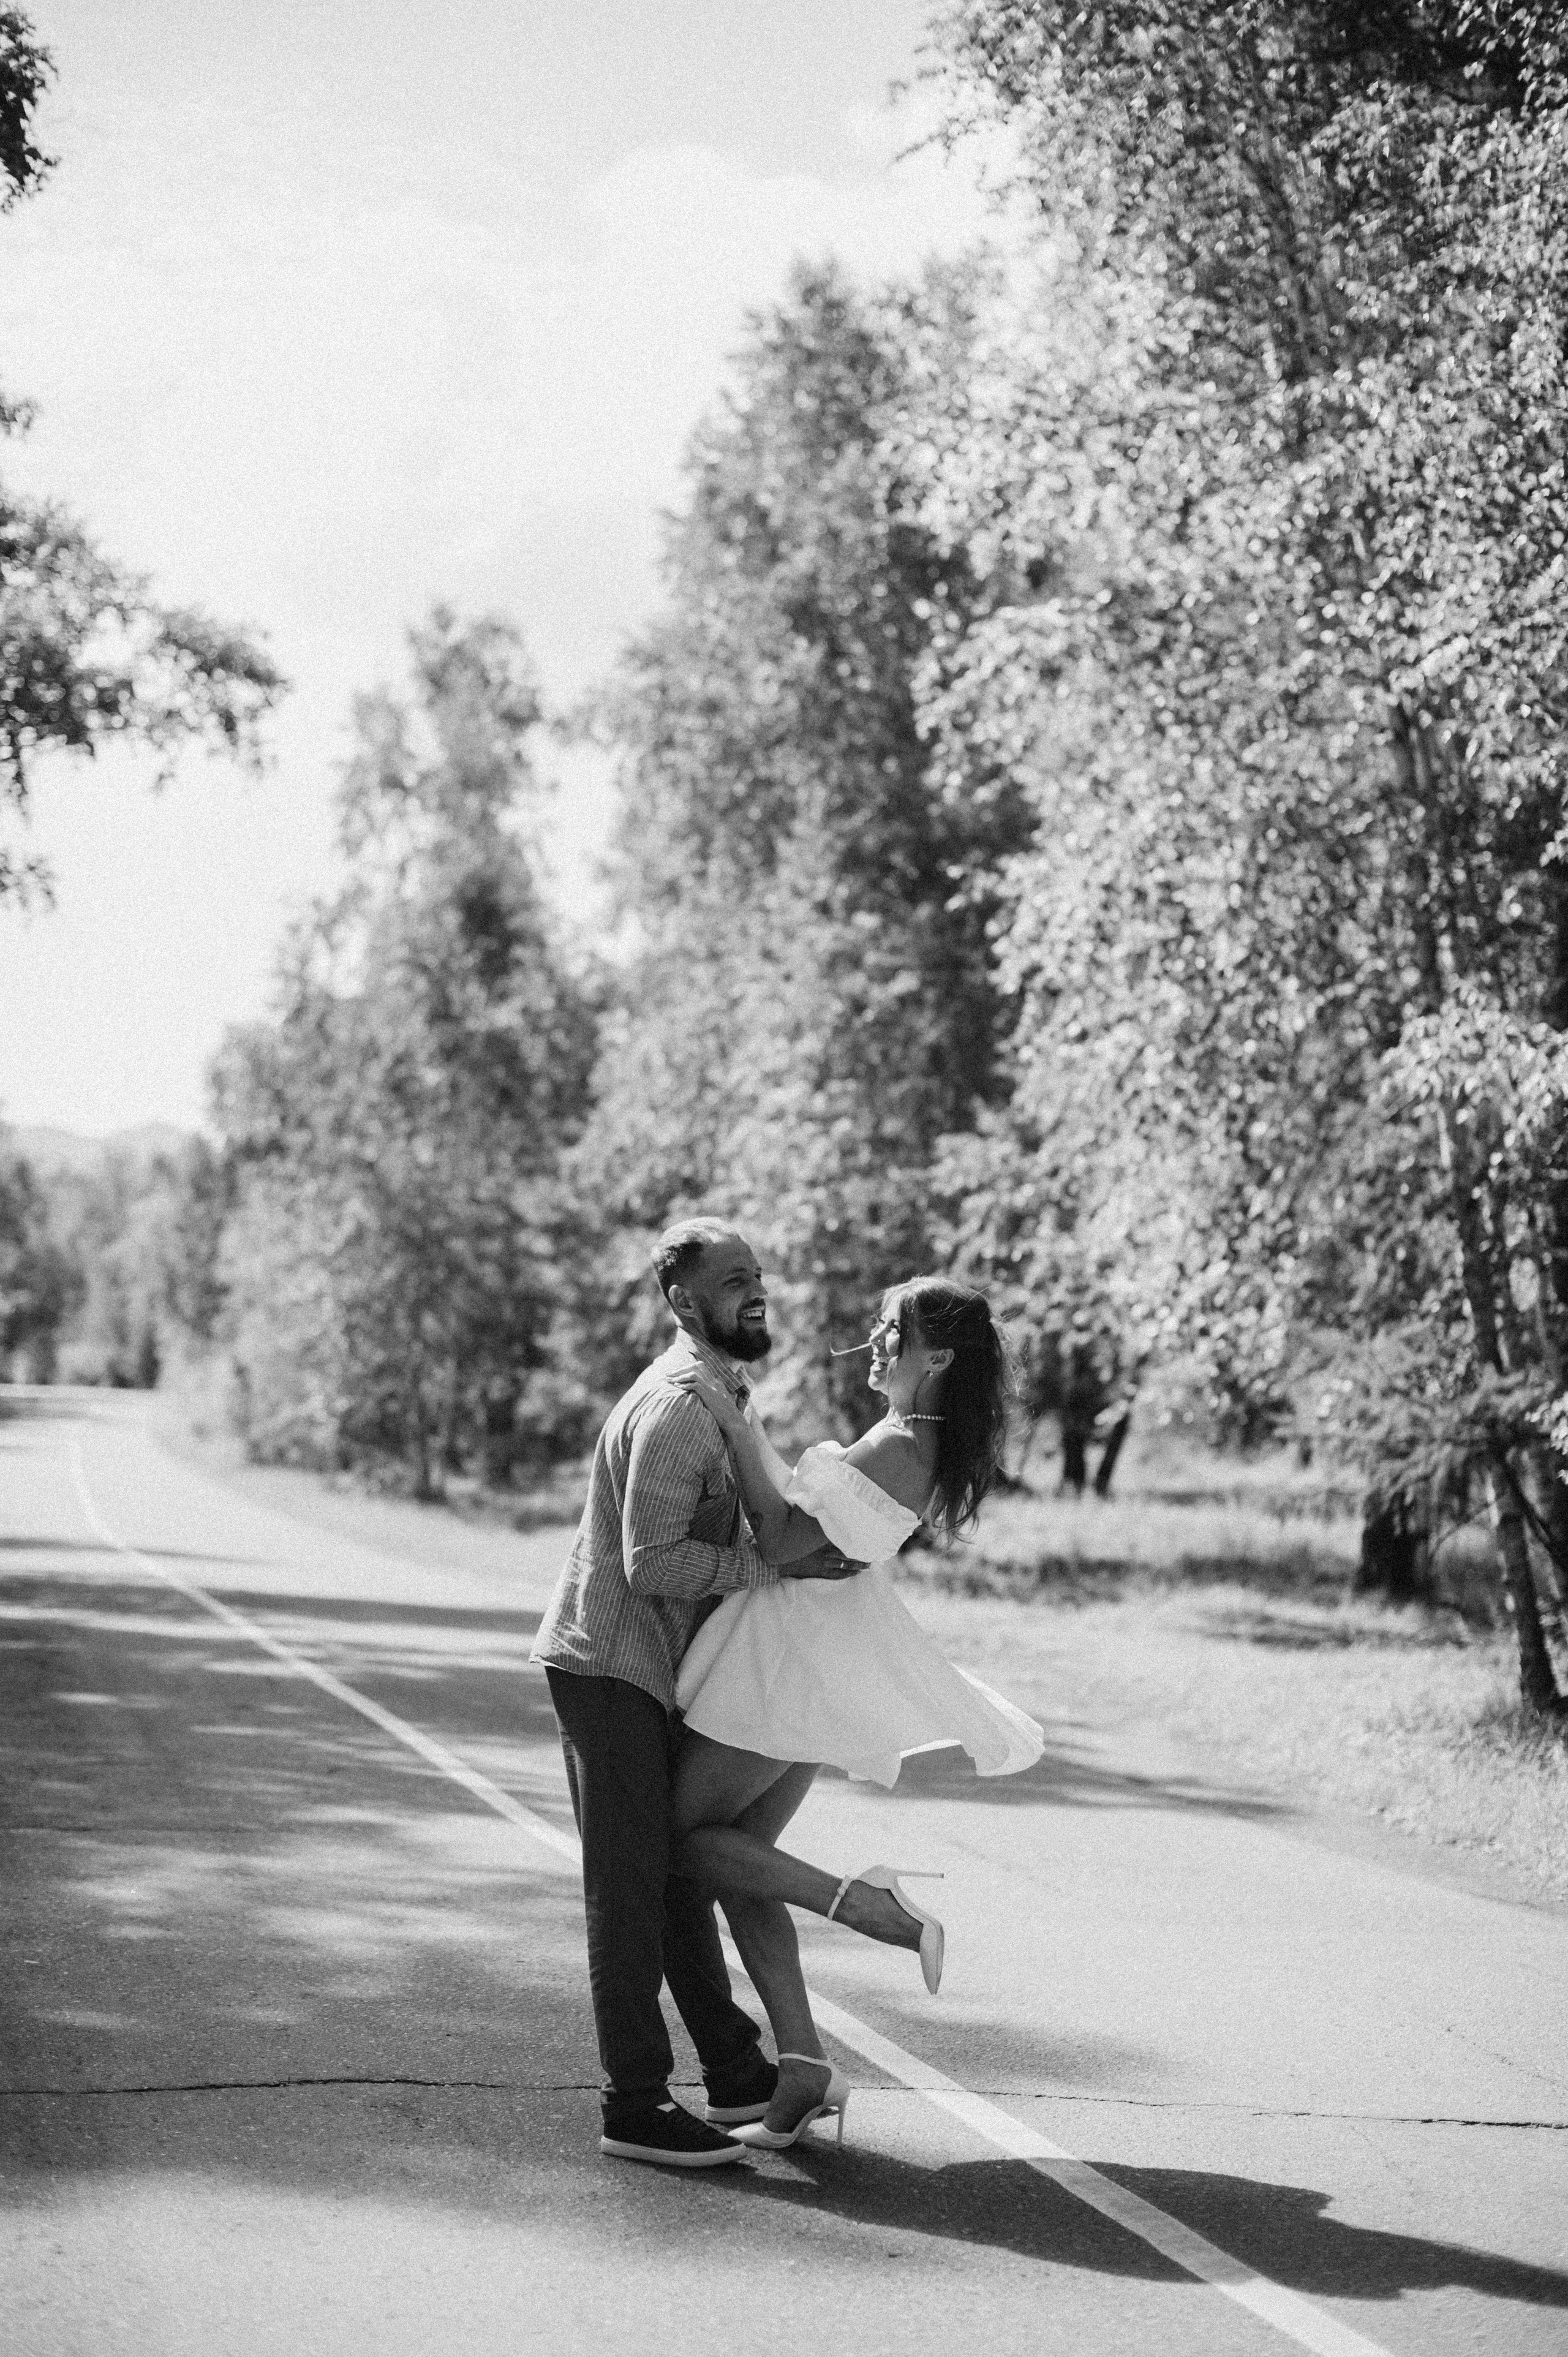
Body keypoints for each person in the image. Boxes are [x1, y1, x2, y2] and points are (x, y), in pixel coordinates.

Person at [666, 1275, 1044, 2149]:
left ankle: (867, 1905)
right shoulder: (911, 1440)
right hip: (808, 1651)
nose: (874, 1340)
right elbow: (803, 1544)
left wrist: (738, 1427)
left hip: (785, 1661)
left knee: (681, 1842)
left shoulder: (906, 1445)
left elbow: (782, 1543)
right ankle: (802, 2063)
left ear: (938, 1355)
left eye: (891, 1330)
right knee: (736, 1864)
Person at [530, 1218, 864, 2169]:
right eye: (732, 1280)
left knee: (677, 1871)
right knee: (630, 1891)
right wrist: (777, 1569)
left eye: (758, 1274)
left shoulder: (721, 1389)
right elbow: (650, 1562)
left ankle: (736, 2073)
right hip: (609, 1666)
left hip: (651, 1671)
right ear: (683, 1301)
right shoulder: (679, 1407)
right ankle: (633, 2105)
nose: (755, 1291)